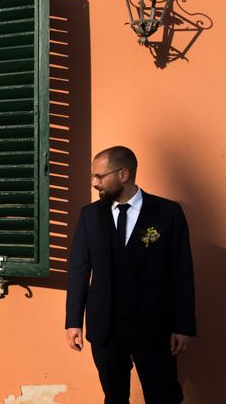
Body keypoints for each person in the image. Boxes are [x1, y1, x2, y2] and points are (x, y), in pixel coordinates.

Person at [65, 146, 196, 404]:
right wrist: (73, 321)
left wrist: (184, 325)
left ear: (123, 174)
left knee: (164, 397)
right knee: (114, 397)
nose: (93, 183)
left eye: (99, 177)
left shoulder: (168, 213)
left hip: (155, 325)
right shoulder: (89, 215)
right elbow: (79, 269)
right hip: (106, 326)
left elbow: (181, 272)